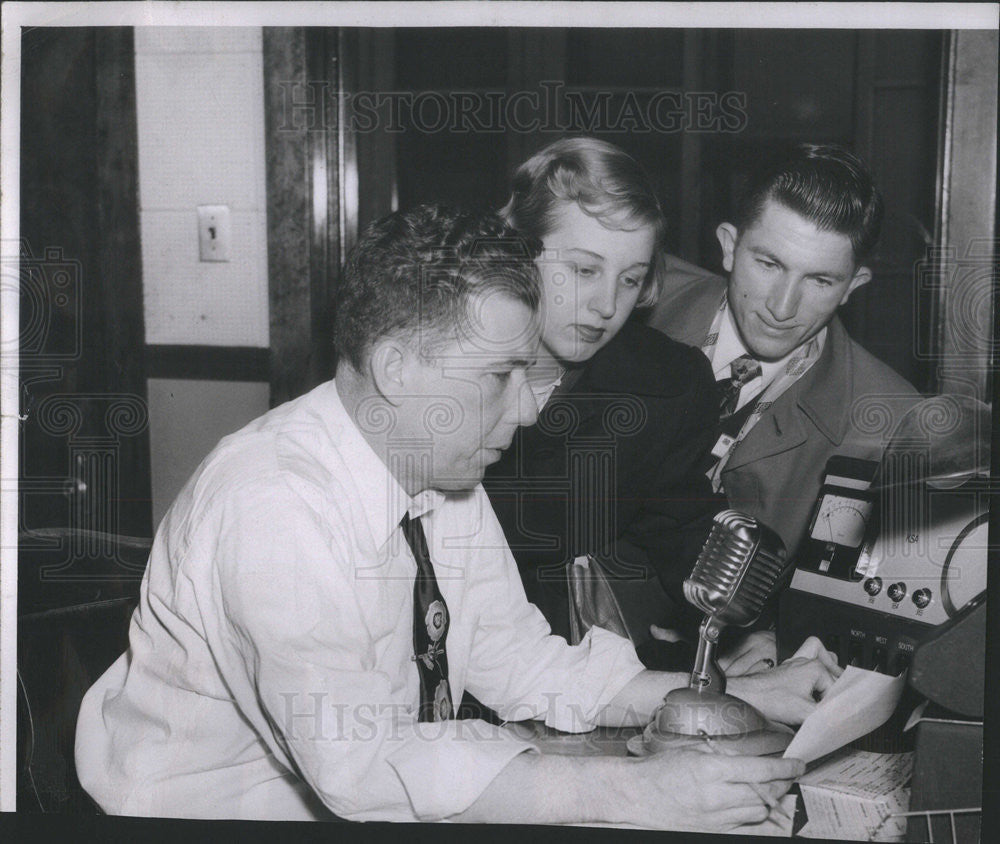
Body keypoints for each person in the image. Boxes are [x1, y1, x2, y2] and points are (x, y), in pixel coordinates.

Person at [76, 204, 838, 830]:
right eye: (502, 375)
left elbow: (519, 661)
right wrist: (634, 792)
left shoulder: (440, 471)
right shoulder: (273, 504)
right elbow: (363, 769)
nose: (531, 406)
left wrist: (724, 699)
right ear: (397, 367)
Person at [482, 138, 724, 665]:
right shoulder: (440, 367)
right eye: (584, 270)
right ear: (517, 251)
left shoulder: (667, 386)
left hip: (574, 659)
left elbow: (683, 529)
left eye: (631, 279)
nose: (607, 305)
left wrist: (751, 623)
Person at [645, 143, 919, 560]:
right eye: (769, 264)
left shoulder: (889, 422)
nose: (782, 307)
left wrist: (771, 628)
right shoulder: (629, 297)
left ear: (853, 285)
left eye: (820, 281)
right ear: (729, 246)